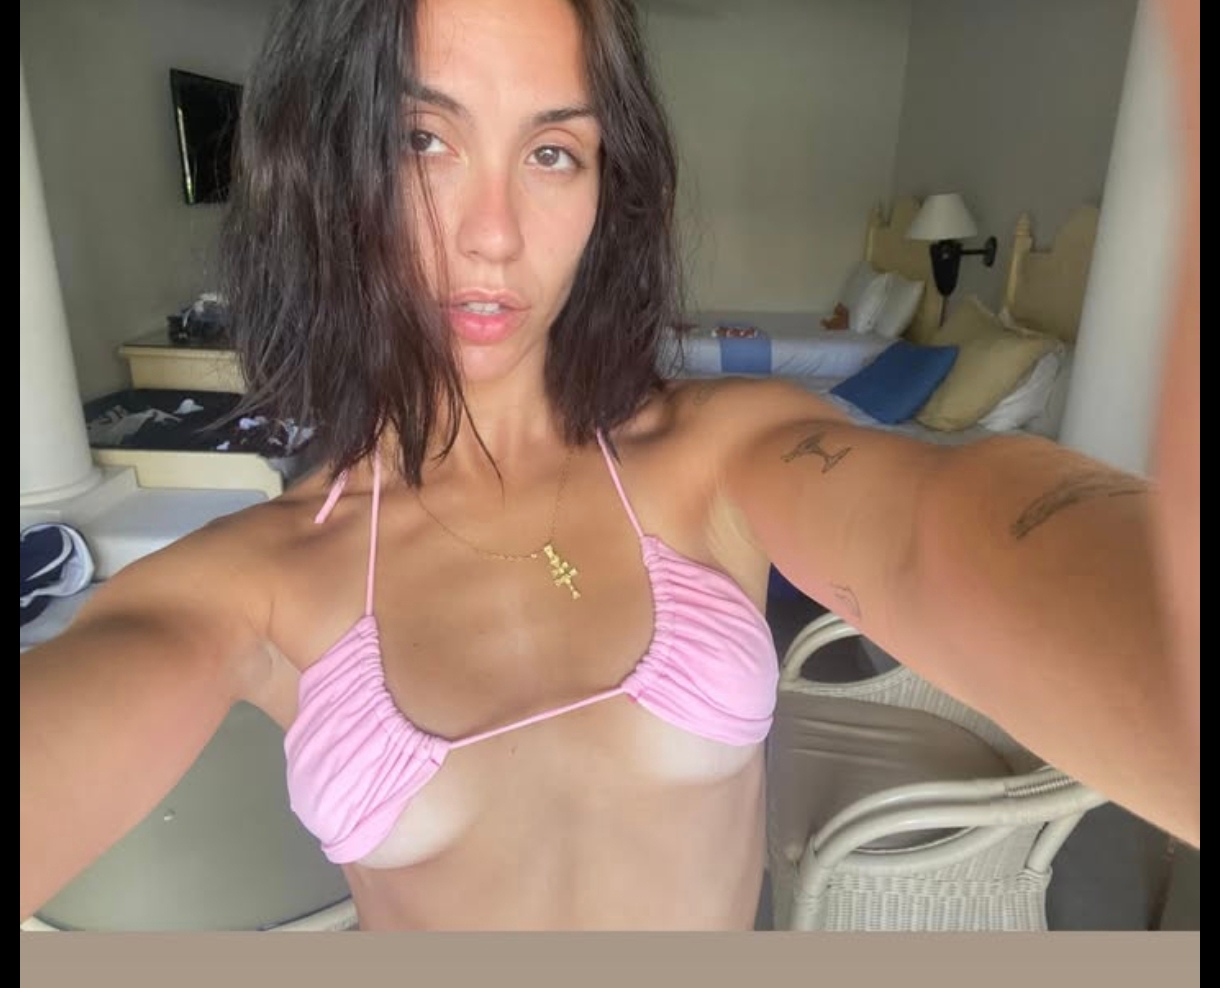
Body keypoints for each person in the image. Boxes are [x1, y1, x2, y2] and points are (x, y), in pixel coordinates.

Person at [20, 0, 1199, 931]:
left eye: (552, 152)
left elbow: (940, 523)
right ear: (326, 168)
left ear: (606, 187)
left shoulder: (720, 454)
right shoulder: (249, 580)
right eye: (422, 140)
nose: (492, 233)